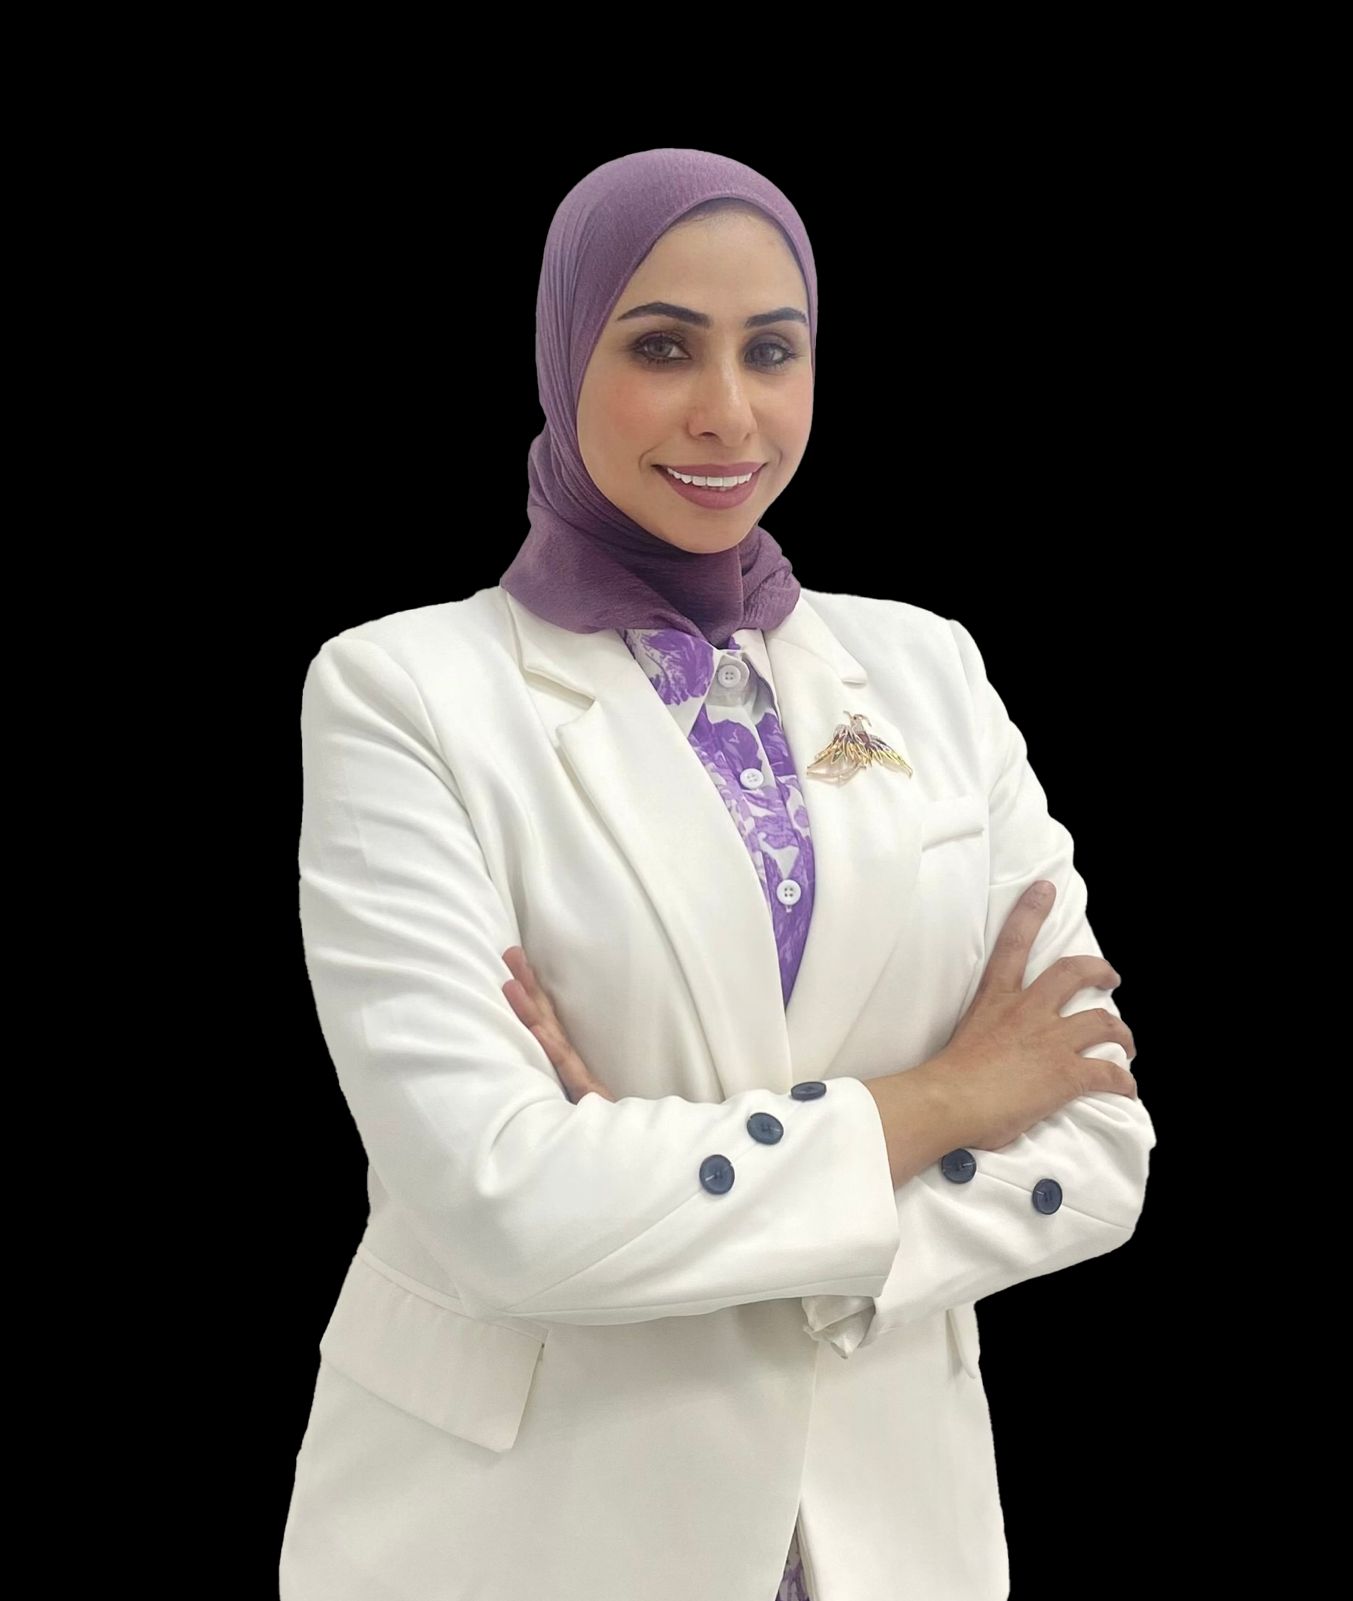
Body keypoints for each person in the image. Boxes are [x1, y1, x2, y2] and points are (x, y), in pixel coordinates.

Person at [279, 148, 1155, 1601]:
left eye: (773, 350)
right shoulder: (403, 692)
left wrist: (644, 1167)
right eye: (662, 347)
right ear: (564, 354)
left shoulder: (929, 668)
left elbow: (1097, 1147)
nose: (728, 412)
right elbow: (506, 1205)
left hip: (890, 1535)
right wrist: (942, 1101)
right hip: (527, 1535)